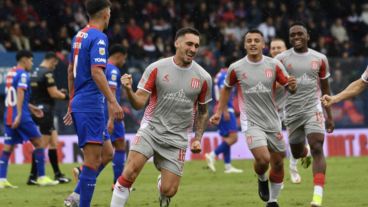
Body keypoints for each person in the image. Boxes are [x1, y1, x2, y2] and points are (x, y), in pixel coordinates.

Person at [110, 27, 212, 207]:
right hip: (151, 129)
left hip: (177, 137)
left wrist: (197, 138)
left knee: (169, 190)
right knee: (129, 173)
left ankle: (162, 186)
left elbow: (203, 111)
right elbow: (139, 103)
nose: (193, 49)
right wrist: (128, 90)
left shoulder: (204, 77)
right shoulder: (156, 68)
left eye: (196, 45)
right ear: (177, 43)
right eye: (189, 44)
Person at [210, 29, 297, 207]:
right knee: (264, 159)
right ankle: (261, 177)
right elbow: (226, 88)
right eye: (249, 40)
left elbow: (289, 87)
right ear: (244, 45)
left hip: (273, 121)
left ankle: (272, 201)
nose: (253, 43)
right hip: (251, 121)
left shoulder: (274, 65)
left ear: (263, 45)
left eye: (257, 40)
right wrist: (219, 111)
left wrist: (293, 86)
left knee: (279, 162)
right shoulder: (236, 67)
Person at [63, 0, 123, 206]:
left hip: (82, 100)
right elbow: (97, 71)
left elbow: (71, 70)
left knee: (107, 153)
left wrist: (72, 100)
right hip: (90, 103)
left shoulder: (79, 35)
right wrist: (113, 102)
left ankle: (76, 195)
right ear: (106, 14)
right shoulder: (99, 38)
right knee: (91, 161)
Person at [274, 22, 334, 207]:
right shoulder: (281, 59)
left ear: (308, 36)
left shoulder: (320, 58)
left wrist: (329, 115)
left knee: (317, 146)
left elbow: (325, 88)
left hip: (312, 108)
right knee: (298, 152)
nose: (296, 38)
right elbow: (272, 87)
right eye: (292, 35)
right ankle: (304, 153)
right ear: (289, 38)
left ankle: (317, 196)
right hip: (290, 112)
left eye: (300, 34)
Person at [0, 50, 59, 188]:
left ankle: (1, 179)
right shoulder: (23, 74)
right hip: (21, 116)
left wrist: (32, 108)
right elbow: (20, 92)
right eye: (31, 60)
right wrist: (20, 114)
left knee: (7, 148)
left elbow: (15, 96)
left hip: (9, 114)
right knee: (39, 143)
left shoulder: (10, 73)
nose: (32, 63)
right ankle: (41, 177)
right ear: (24, 60)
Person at [27, 52, 71, 185]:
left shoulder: (34, 72)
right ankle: (33, 176)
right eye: (55, 63)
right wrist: (66, 96)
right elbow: (53, 93)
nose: (55, 66)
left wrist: (59, 93)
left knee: (53, 143)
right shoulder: (47, 73)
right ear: (52, 60)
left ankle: (58, 174)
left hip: (37, 109)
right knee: (42, 145)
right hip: (45, 112)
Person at [270, 38, 304, 184]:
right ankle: (279, 177)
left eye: (279, 48)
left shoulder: (292, 67)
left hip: (290, 107)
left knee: (294, 140)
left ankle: (293, 167)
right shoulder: (265, 66)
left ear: (286, 50)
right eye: (273, 48)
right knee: (275, 148)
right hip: (271, 111)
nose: (276, 50)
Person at [205, 66, 243, 174]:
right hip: (225, 109)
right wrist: (225, 110)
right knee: (234, 138)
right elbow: (223, 92)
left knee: (227, 138)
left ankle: (228, 166)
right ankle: (212, 155)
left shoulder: (220, 75)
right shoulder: (225, 75)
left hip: (221, 109)